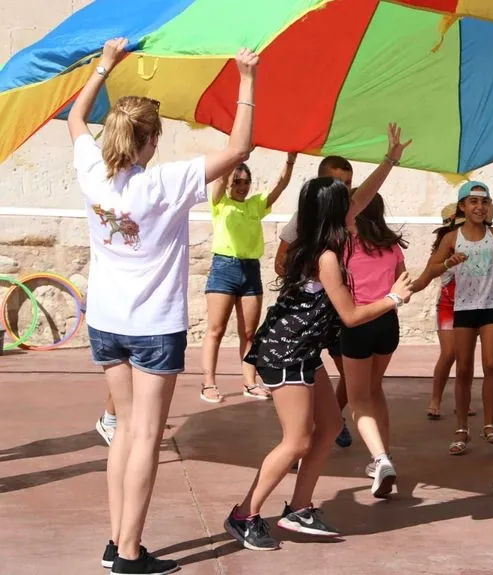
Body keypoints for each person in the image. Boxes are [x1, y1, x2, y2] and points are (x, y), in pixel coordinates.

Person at [68, 38, 259, 574]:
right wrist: (246, 78)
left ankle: (116, 540)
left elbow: (76, 118)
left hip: (106, 323)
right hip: (153, 327)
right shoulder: (165, 183)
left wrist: (105, 65)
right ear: (150, 140)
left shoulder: (92, 172)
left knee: (124, 431)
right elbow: (239, 149)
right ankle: (129, 553)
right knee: (145, 436)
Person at [224, 124, 412, 551]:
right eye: (346, 201)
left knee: (328, 428)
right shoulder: (325, 255)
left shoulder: (330, 233)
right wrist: (393, 299)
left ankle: (299, 508)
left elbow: (363, 196)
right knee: (296, 440)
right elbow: (349, 313)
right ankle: (244, 514)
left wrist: (391, 160)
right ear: (334, 213)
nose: (355, 203)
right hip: (286, 350)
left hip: (304, 349)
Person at [411, 182, 493, 455]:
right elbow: (430, 270)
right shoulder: (452, 238)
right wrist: (413, 288)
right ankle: (461, 428)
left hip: (491, 305)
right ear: (462, 206)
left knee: (492, 364)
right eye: (473, 202)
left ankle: (490, 425)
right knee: (463, 368)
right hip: (464, 308)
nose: (479, 207)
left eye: (484, 202)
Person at [200, 154, 296, 403]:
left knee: (249, 332)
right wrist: (234, 156)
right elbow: (220, 181)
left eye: (246, 182)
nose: (242, 187)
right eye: (237, 182)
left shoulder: (255, 205)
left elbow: (281, 185)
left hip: (250, 269)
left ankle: (250, 382)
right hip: (224, 267)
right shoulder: (219, 203)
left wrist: (290, 162)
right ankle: (208, 383)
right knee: (216, 330)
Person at [276, 156, 355, 449]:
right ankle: (300, 433)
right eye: (339, 184)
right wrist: (313, 274)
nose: (346, 190)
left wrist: (390, 160)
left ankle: (333, 418)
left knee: (349, 371)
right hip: (305, 316)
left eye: (348, 183)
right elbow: (280, 263)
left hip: (333, 313)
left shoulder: (348, 216)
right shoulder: (304, 220)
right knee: (301, 379)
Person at [342, 192, 411, 491]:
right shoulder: (392, 246)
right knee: (374, 387)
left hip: (358, 321)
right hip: (387, 323)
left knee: (357, 399)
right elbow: (404, 282)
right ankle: (385, 452)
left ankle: (380, 459)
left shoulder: (345, 246)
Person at [426, 202, 488, 420]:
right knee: (450, 352)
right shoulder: (445, 247)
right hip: (448, 305)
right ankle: (436, 399)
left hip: (472, 305)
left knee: (466, 357)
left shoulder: (479, 241)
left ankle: (463, 400)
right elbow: (431, 272)